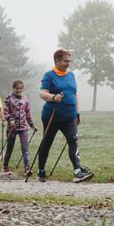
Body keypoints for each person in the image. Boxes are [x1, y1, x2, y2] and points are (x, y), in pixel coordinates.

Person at [35, 48, 93, 183]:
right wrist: (53, 97)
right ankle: (41, 171)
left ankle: (77, 172)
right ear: (57, 61)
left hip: (69, 116)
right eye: (66, 61)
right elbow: (42, 93)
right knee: (47, 142)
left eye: (70, 61)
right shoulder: (49, 75)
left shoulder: (71, 75)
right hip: (52, 116)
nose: (69, 64)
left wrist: (77, 112)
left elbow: (74, 94)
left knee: (73, 140)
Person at [2, 80, 36, 175]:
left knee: (25, 148)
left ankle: (27, 168)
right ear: (13, 88)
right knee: (10, 147)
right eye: (17, 88)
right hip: (12, 128)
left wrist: (32, 125)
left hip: (23, 127)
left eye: (21, 88)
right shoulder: (8, 98)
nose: (19, 90)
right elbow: (5, 112)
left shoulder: (25, 99)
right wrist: (10, 120)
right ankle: (5, 166)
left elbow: (28, 113)